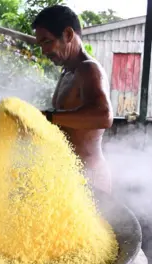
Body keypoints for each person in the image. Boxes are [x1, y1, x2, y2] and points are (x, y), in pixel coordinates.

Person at [32, 5, 113, 194]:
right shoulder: (67, 71)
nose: (43, 50)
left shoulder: (89, 69)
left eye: (47, 41)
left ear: (68, 34)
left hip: (90, 179)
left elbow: (103, 116)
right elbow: (65, 120)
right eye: (40, 44)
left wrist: (47, 117)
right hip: (69, 175)